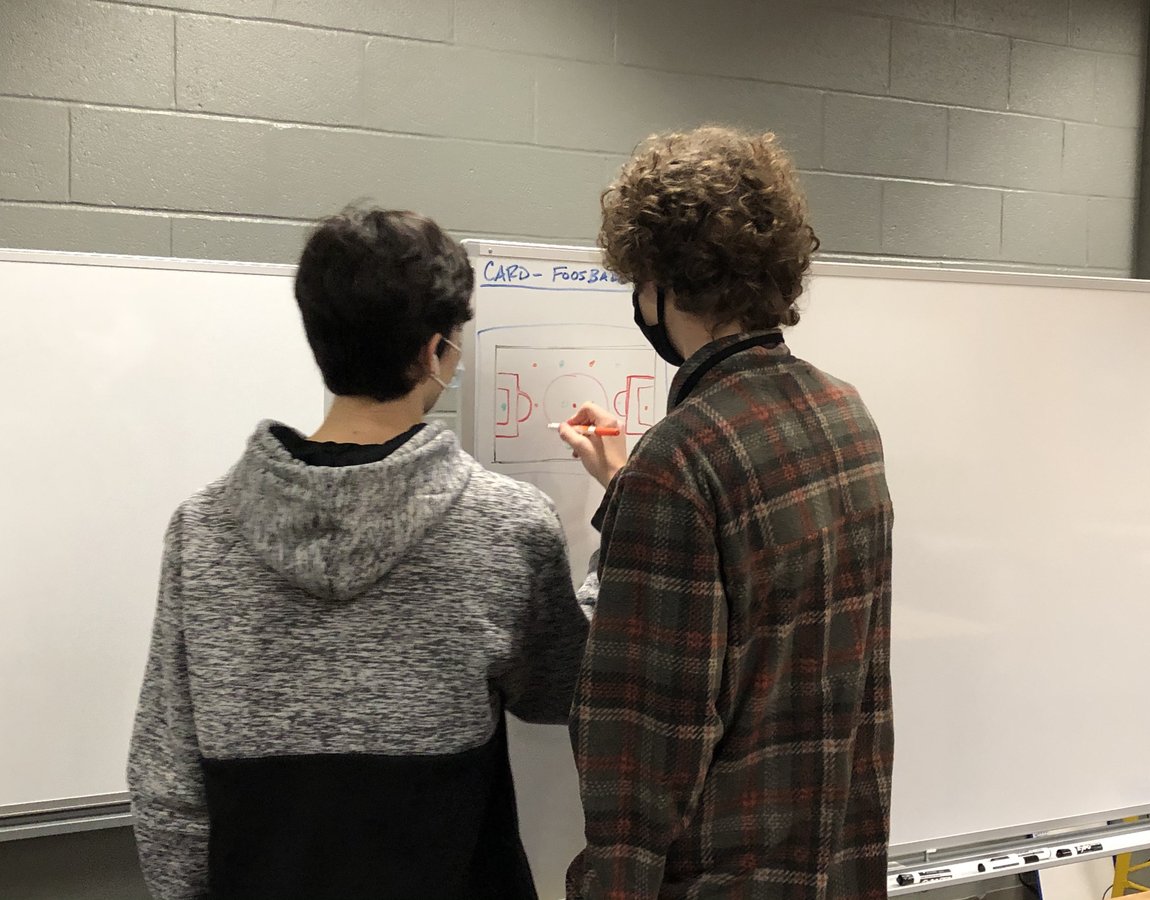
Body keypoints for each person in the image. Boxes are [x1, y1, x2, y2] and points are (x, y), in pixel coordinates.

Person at [128, 206, 589, 900]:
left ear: (318, 336)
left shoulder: (200, 530)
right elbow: (562, 689)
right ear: (437, 352)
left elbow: (167, 786)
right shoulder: (507, 525)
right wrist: (616, 542)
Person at [558, 126, 894, 899]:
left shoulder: (678, 464)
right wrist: (625, 482)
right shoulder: (848, 416)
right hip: (832, 864)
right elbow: (767, 608)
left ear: (659, 283)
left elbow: (642, 756)